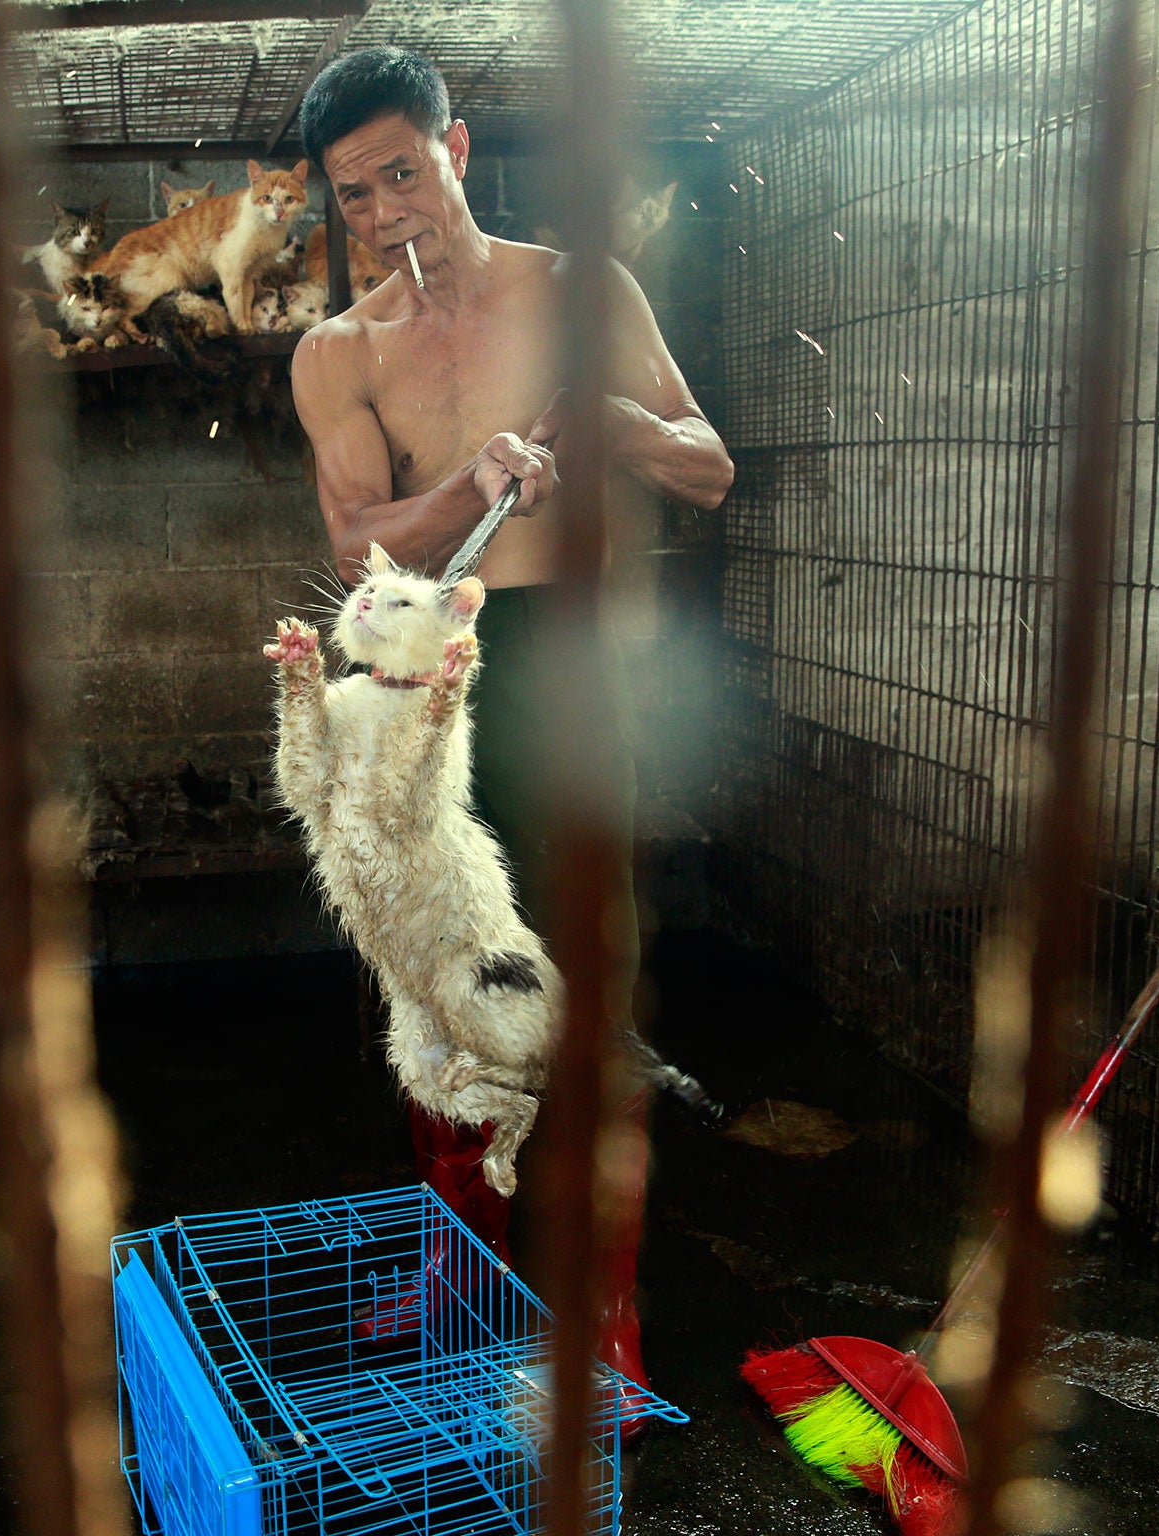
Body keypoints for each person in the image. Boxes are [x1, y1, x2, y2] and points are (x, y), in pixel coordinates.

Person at [291, 46, 734, 1388]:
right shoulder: (339, 350)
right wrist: (471, 477)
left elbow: (708, 469)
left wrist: (610, 424)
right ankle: (455, 1260)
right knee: (430, 982)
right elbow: (362, 540)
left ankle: (603, 1307)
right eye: (353, 197)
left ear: (459, 150)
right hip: (425, 678)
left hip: (573, 662)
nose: (382, 215)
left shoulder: (580, 289)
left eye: (401, 174)